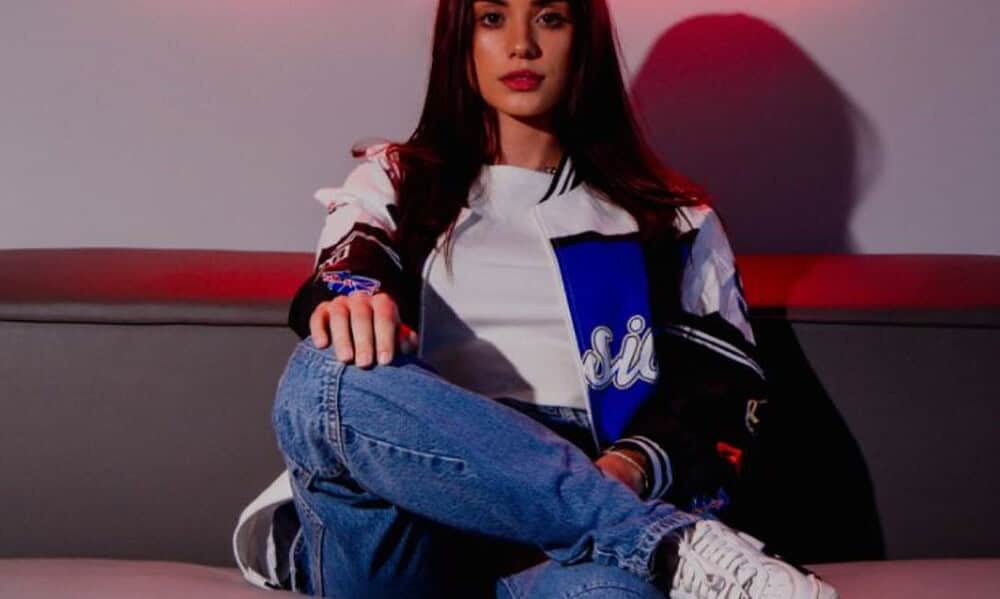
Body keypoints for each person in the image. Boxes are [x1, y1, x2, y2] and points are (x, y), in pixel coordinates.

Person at [233, 0, 839, 597]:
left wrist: (628, 467)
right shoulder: (395, 182)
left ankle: (625, 532)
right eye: (492, 19)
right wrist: (355, 301)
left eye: (550, 18)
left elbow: (722, 397)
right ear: (460, 41)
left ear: (584, 40)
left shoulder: (672, 223)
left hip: (569, 541)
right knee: (322, 376)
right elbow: (350, 266)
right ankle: (662, 544)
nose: (521, 45)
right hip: (406, 531)